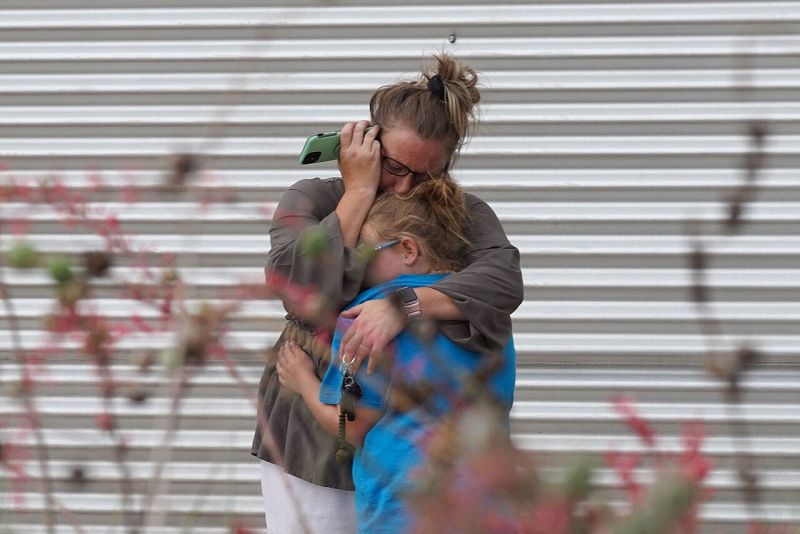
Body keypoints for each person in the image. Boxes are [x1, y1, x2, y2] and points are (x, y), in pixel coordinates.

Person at [251, 52, 523, 534]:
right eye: (394, 166)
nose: (402, 189)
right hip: (316, 437)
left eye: (426, 176)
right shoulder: (313, 198)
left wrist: (406, 305)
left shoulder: (461, 213)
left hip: (415, 451)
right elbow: (298, 289)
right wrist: (357, 194)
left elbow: (502, 278)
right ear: (367, 142)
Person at [276, 178, 517, 534]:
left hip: (404, 514)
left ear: (407, 249)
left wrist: (304, 382)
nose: (357, 269)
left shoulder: (368, 315)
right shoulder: (488, 313)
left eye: (365, 254)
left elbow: (353, 426)